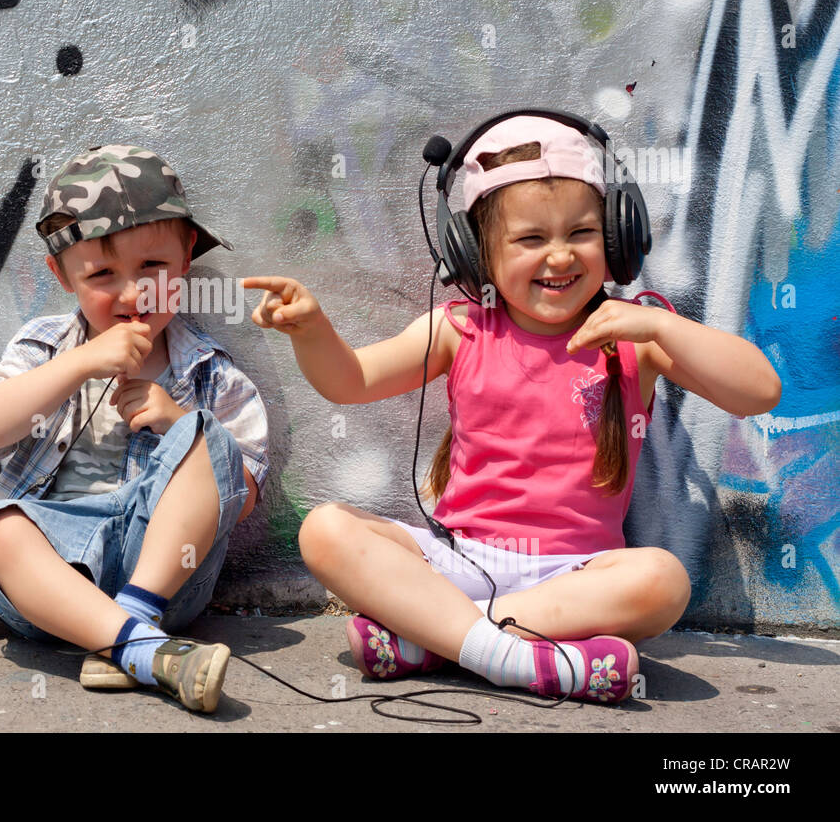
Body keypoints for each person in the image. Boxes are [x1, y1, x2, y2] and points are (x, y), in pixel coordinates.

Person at [243, 114, 781, 704]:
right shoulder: (457, 330)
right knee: (326, 530)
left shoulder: (635, 335)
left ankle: (439, 638)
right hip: (458, 562)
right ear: (475, 255)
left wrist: (658, 323)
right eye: (530, 240)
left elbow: (759, 391)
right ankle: (516, 657)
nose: (559, 257)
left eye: (581, 233)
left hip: (575, 581)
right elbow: (351, 381)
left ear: (617, 239)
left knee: (662, 581)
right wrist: (312, 330)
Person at [0, 144, 268, 714]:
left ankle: (133, 632)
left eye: (152, 268)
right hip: (56, 583)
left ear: (187, 256)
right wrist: (79, 364)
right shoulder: (45, 348)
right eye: (102, 274)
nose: (131, 292)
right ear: (61, 275)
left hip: (167, 580)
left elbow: (240, 498)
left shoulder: (212, 373)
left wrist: (177, 424)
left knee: (205, 435)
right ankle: (141, 648)